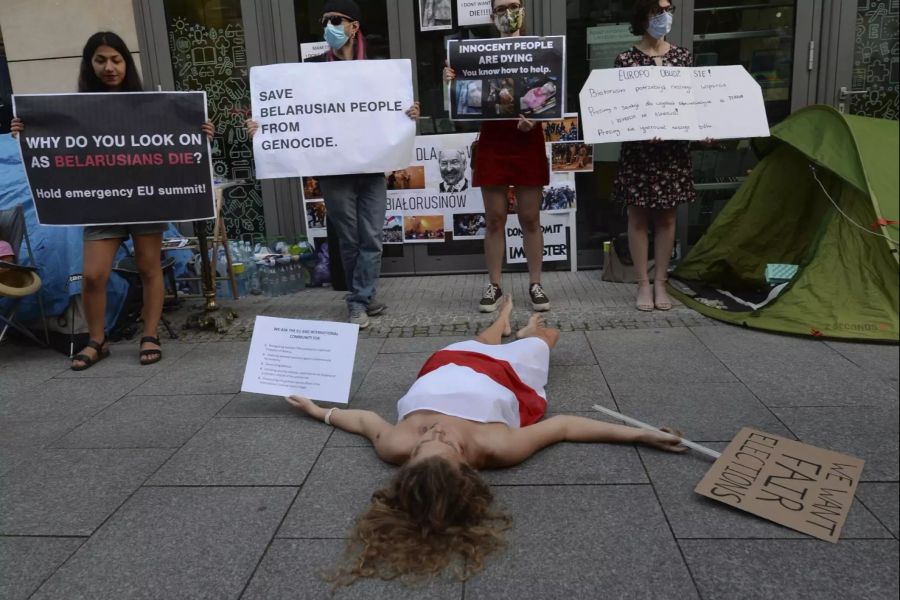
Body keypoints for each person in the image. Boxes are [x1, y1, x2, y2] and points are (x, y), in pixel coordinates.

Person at [285, 296, 686, 584]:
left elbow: (364, 420)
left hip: (444, 365)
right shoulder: (499, 449)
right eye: (448, 444)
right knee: (546, 338)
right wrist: (642, 434)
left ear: (411, 460)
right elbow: (563, 427)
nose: (436, 431)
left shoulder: (396, 446)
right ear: (466, 466)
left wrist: (319, 411)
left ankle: (502, 320)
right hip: (506, 375)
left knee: (480, 338)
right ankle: (526, 331)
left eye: (426, 443)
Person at [11, 31, 213, 370]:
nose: (109, 67)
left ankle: (150, 335)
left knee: (150, 268)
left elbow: (174, 143)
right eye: (100, 60)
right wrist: (25, 132)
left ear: (126, 63)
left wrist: (200, 131)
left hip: (146, 199)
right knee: (93, 274)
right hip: (101, 203)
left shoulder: (151, 106)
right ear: (90, 65)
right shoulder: (72, 111)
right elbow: (56, 152)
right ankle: (97, 339)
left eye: (116, 59)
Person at [247, 0, 420, 329]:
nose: (329, 26)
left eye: (335, 20)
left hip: (371, 169)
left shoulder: (379, 71)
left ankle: (363, 296)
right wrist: (262, 127)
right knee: (350, 238)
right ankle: (359, 299)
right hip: (335, 170)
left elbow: (392, 113)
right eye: (325, 21)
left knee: (372, 237)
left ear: (354, 26)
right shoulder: (310, 71)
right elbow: (290, 113)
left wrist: (408, 113)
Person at [445, 0, 551, 314]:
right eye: (501, 8)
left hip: (527, 138)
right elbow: (462, 98)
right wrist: (450, 81)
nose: (508, 13)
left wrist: (538, 116)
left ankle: (535, 283)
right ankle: (494, 284)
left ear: (523, 11)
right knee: (494, 219)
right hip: (493, 139)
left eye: (513, 6)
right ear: (492, 16)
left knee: (531, 218)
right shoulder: (477, 54)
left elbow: (551, 92)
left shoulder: (541, 50)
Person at [614, 0, 707, 312]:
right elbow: (620, 110)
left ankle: (661, 282)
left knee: (668, 216)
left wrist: (703, 128)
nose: (665, 17)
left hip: (673, 150)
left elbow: (693, 104)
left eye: (669, 9)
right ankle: (642, 283)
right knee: (637, 215)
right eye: (657, 10)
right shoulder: (625, 60)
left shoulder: (682, 57)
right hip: (640, 151)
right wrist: (640, 126)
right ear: (642, 15)